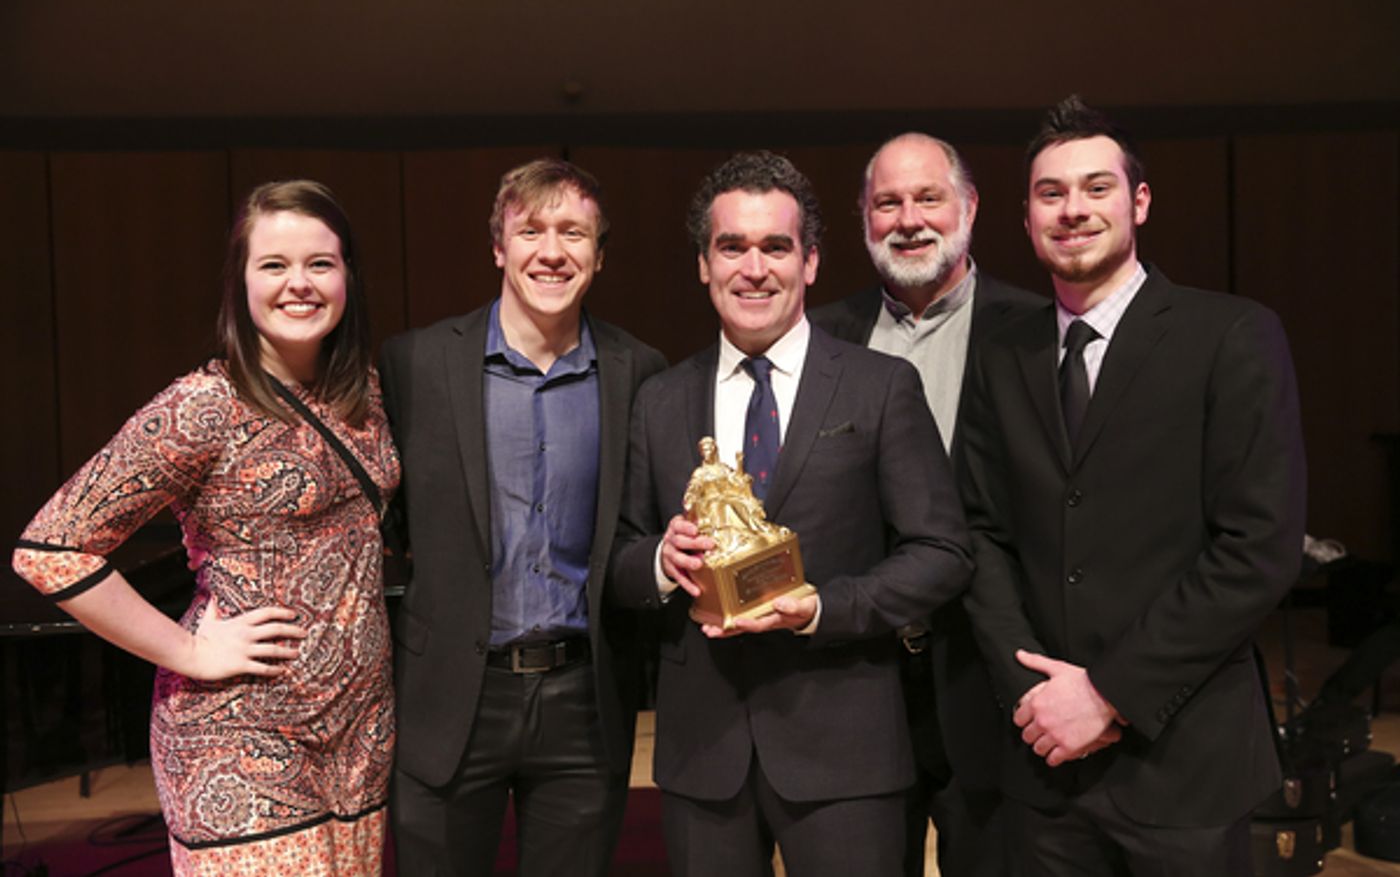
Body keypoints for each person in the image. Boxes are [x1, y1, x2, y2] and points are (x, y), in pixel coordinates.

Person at [959, 96, 1306, 875]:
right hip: (1043, 761)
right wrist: (1035, 698)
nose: (1073, 209)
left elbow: (1259, 548)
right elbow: (980, 532)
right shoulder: (1001, 353)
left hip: (1183, 763)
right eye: (1051, 193)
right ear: (1024, 217)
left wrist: (1109, 692)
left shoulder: (1231, 335)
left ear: (1139, 201)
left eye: (1096, 187)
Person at [12, 180, 399, 874]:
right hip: (238, 738)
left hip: (357, 736)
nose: (299, 283)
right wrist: (188, 651)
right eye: (273, 265)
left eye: (321, 263)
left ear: (349, 277)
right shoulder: (204, 405)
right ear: (241, 283)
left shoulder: (364, 392)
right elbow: (51, 547)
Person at [610, 150, 973, 877]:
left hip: (846, 752)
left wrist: (821, 609)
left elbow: (942, 552)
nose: (754, 267)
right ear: (703, 265)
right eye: (731, 247)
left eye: (776, 246)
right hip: (703, 753)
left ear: (809, 262)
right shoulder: (659, 400)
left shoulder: (880, 387)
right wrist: (659, 561)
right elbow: (618, 555)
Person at [380, 159, 666, 877]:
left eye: (573, 232)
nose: (551, 250)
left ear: (599, 255)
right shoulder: (414, 364)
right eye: (531, 229)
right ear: (498, 246)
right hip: (448, 697)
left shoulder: (640, 371)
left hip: (582, 701)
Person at [811, 132, 1044, 877]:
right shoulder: (817, 336)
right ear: (863, 218)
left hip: (993, 679)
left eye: (928, 197)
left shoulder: (1038, 331)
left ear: (969, 207)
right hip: (858, 679)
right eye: (888, 202)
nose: (909, 218)